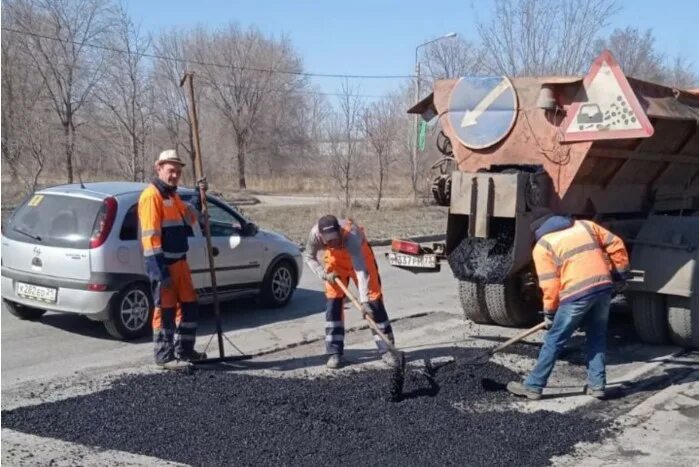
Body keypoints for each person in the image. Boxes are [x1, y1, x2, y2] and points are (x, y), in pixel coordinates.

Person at [507, 209, 630, 400]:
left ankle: (533, 386)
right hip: (603, 288)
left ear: (538, 230)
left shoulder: (543, 245)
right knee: (596, 337)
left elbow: (550, 285)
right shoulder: (585, 225)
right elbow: (616, 243)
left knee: (554, 340)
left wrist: (549, 313)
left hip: (577, 294)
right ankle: (597, 386)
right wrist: (619, 274)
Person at [139, 149, 208, 369]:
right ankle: (164, 356)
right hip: (164, 266)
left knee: (189, 307)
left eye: (178, 172)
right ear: (158, 168)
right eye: (171, 171)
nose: (175, 175)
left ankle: (185, 350)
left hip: (180, 263)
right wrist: (160, 272)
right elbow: (150, 239)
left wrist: (199, 195)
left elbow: (190, 218)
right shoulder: (152, 197)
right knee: (165, 311)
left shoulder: (172, 195)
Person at [304, 215, 397, 369]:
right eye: (329, 240)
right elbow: (309, 257)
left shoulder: (351, 235)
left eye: (335, 237)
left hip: (361, 257)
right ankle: (334, 352)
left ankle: (387, 349)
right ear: (321, 237)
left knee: (374, 301)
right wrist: (323, 274)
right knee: (333, 302)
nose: (333, 242)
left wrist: (364, 301)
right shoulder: (315, 236)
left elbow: (360, 271)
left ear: (339, 232)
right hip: (335, 262)